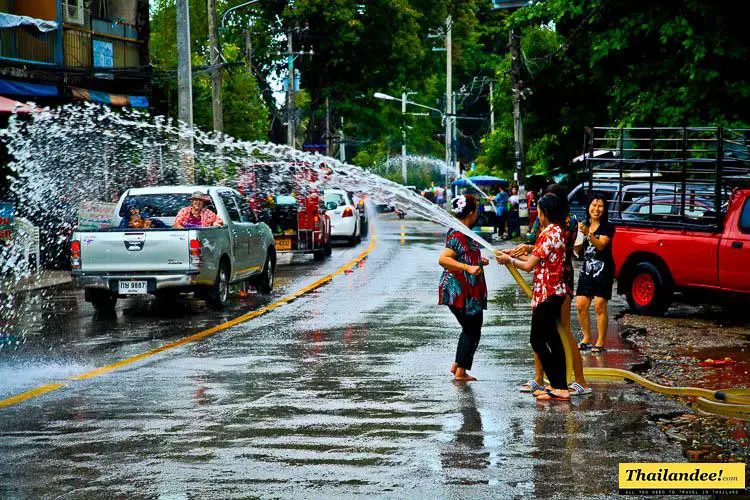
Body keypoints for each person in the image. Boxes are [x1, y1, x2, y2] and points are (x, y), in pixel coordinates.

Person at [509, 184, 591, 396]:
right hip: (547, 284)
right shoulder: (550, 227)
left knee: (556, 331)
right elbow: (535, 246)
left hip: (555, 285)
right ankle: (547, 381)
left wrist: (513, 258)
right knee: (550, 334)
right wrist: (522, 251)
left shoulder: (564, 225)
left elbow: (542, 252)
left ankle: (571, 381)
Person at [496, 193, 571, 401]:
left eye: (538, 210)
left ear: (545, 212)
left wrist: (508, 260)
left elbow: (529, 266)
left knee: (537, 341)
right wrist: (514, 254)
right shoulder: (557, 231)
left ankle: (558, 387)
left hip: (547, 295)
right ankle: (559, 387)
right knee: (553, 341)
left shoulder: (547, 234)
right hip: (555, 293)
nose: (537, 214)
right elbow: (538, 259)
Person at [438, 194, 490, 382]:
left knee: (470, 328)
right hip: (461, 292)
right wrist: (468, 267)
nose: (477, 214)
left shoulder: (463, 231)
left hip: (468, 290)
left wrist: (478, 260)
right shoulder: (459, 233)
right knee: (472, 329)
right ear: (470, 213)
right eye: (475, 210)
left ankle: (458, 365)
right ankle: (461, 372)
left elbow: (463, 254)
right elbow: (443, 259)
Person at [575, 193, 615, 354]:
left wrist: (588, 234)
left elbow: (601, 246)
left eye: (600, 206)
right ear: (588, 207)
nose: (596, 209)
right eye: (593, 205)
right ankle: (586, 337)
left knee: (599, 306)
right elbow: (577, 248)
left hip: (604, 269)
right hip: (587, 269)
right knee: (581, 305)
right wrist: (575, 245)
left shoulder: (608, 227)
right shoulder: (583, 224)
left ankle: (600, 341)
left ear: (604, 209)